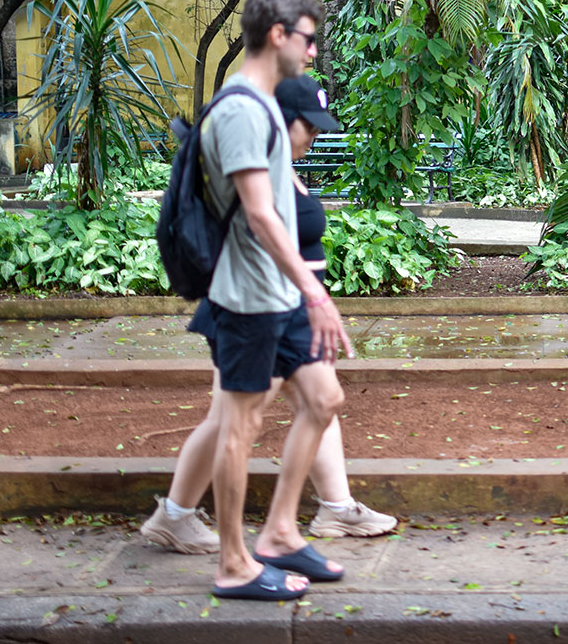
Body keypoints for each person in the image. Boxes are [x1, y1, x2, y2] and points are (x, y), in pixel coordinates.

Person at [141, 75, 396, 564]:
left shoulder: (283, 166)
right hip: (252, 305)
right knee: (230, 419)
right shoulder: (258, 163)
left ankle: (334, 507)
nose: (315, 138)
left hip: (290, 306)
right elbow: (254, 231)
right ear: (282, 120)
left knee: (321, 399)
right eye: (310, 128)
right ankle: (176, 516)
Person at [149, 0, 351, 601]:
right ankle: (235, 562)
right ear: (277, 35)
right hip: (248, 296)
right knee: (239, 425)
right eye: (308, 38)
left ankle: (282, 532)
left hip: (278, 294)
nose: (314, 51)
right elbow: (261, 216)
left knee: (323, 398)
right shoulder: (240, 109)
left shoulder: (261, 104)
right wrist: (314, 293)